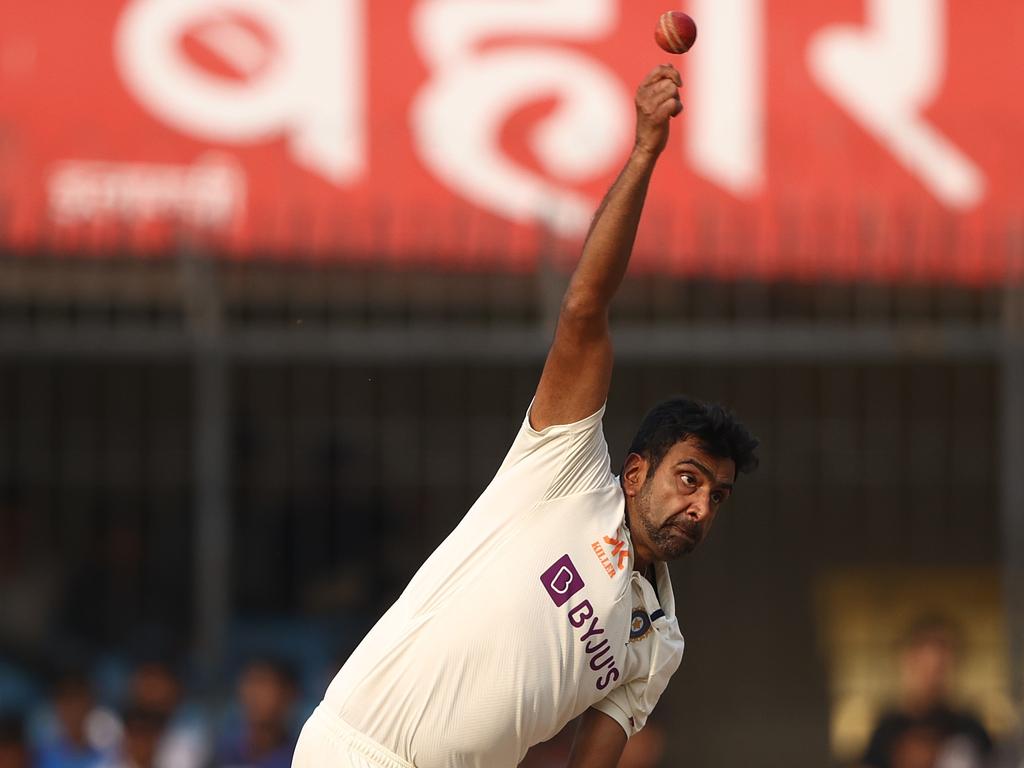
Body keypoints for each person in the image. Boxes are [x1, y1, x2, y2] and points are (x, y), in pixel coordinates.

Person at [293, 64, 759, 768]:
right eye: (689, 479)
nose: (700, 507)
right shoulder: (566, 472)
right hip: (356, 751)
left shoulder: (659, 641)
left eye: (716, 497)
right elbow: (583, 310)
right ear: (635, 470)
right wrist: (643, 154)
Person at [860, 615, 993, 768]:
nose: (932, 678)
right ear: (908, 662)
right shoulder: (887, 731)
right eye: (925, 667)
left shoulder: (971, 730)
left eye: (940, 668)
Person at [215, 658, 298, 768]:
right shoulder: (222, 752)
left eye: (264, 684)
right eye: (250, 684)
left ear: (288, 694)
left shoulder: (299, 755)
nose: (254, 695)